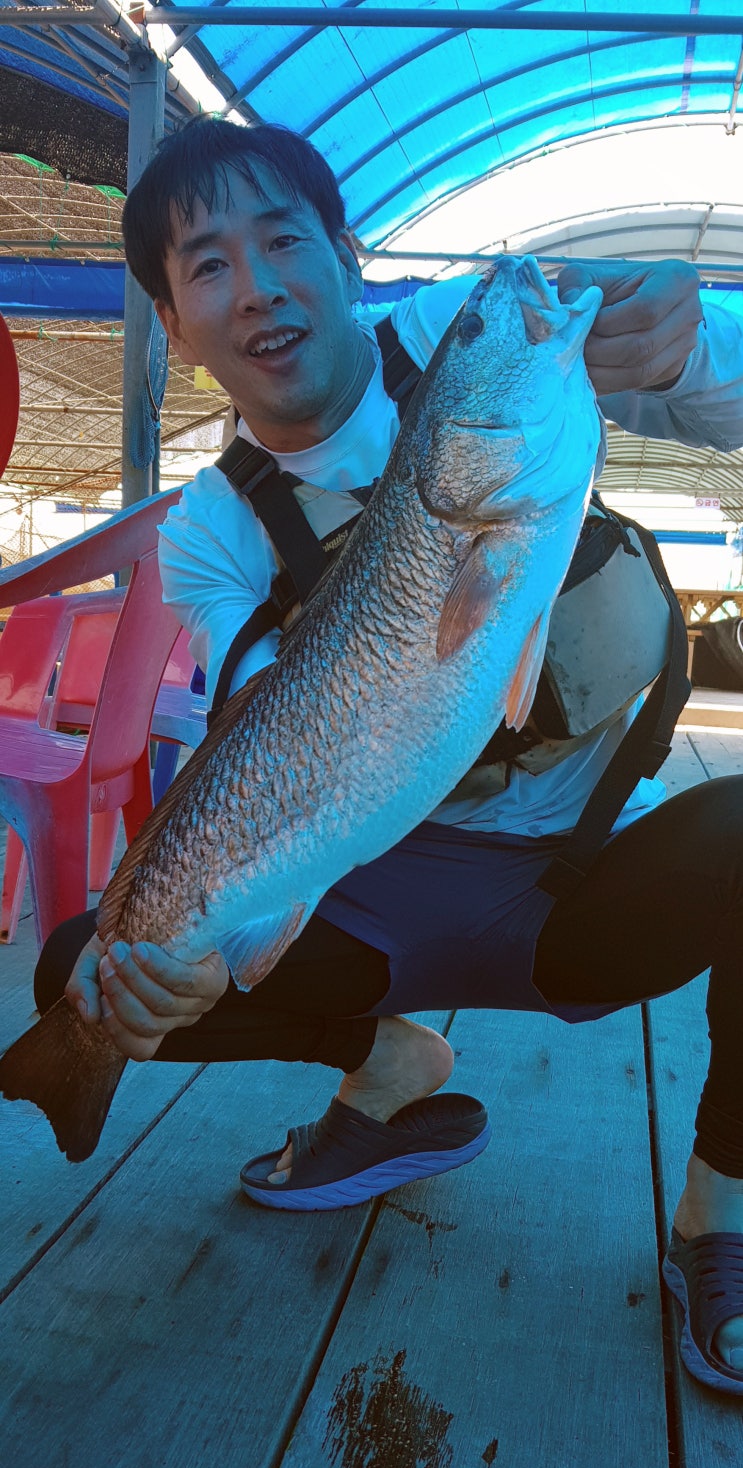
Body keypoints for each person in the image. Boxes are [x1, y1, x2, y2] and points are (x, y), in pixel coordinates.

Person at [34, 117, 743, 1395]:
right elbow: (266, 737)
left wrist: (686, 342)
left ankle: (718, 1211)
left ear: (347, 255)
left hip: (579, 885)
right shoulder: (210, 530)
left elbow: (717, 398)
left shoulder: (468, 340)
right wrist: (178, 955)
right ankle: (390, 1062)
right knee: (82, 972)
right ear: (174, 327)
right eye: (208, 266)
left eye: (282, 240)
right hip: (380, 889)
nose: (258, 287)